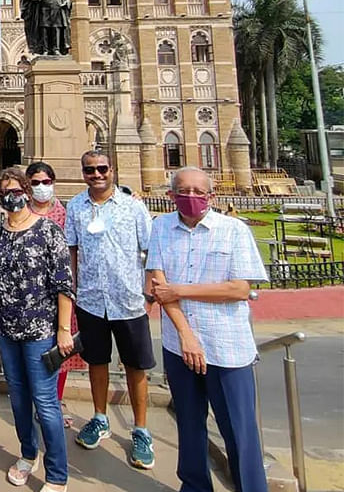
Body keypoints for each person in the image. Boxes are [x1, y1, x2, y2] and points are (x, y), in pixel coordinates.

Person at [146, 168, 269, 492]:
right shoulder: (160, 227)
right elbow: (160, 287)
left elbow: (239, 289)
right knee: (189, 425)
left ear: (211, 197)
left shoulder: (233, 230)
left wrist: (181, 291)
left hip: (226, 348)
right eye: (183, 190)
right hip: (179, 345)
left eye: (199, 191)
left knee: (239, 432)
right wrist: (187, 335)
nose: (191, 197)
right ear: (171, 195)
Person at [65, 152, 156, 470]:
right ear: (83, 173)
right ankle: (100, 418)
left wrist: (148, 291)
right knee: (96, 362)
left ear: (112, 170)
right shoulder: (76, 206)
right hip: (91, 300)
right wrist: (74, 286)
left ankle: (141, 430)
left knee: (135, 367)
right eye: (90, 170)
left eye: (102, 169)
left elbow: (151, 250)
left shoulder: (133, 207)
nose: (96, 174)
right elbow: (72, 249)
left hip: (128, 300)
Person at [0, 166, 73, 492]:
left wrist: (63, 329)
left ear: (26, 191)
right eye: (6, 192)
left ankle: (57, 474)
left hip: (40, 331)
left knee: (46, 402)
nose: (14, 197)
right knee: (19, 398)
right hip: (6, 331)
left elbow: (64, 284)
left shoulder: (49, 231)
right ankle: (27, 453)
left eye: (18, 190)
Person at [25, 160, 75, 427]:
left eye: (46, 182)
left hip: (58, 294)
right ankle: (36, 399)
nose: (41, 187)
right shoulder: (20, 212)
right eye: (35, 183)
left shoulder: (67, 214)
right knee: (32, 353)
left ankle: (55, 399)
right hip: (28, 297)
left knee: (59, 351)